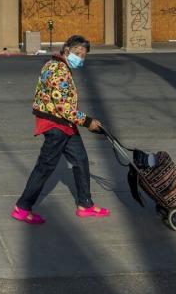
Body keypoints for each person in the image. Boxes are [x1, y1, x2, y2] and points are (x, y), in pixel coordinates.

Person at [12, 34, 109, 225]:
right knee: (45, 166)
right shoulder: (59, 71)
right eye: (77, 53)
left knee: (80, 160)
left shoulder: (52, 64)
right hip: (56, 124)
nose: (81, 58)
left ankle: (85, 204)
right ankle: (22, 207)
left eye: (83, 55)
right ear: (66, 50)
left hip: (64, 123)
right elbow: (64, 107)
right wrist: (88, 122)